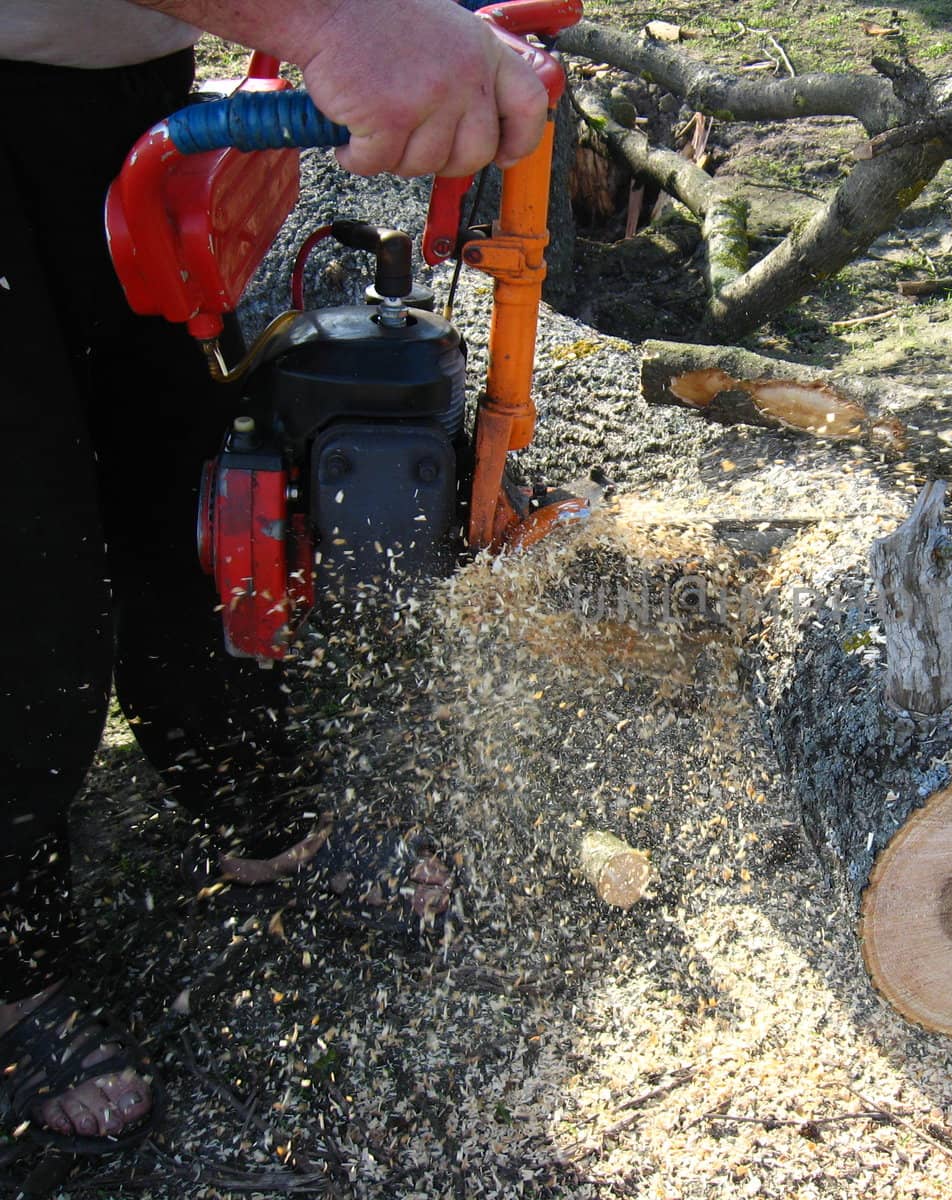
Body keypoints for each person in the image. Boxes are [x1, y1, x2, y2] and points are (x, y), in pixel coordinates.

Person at [0, 0, 547, 1159]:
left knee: (180, 475)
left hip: (104, 69)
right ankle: (8, 965)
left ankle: (256, 804)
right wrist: (340, 21)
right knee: (23, 572)